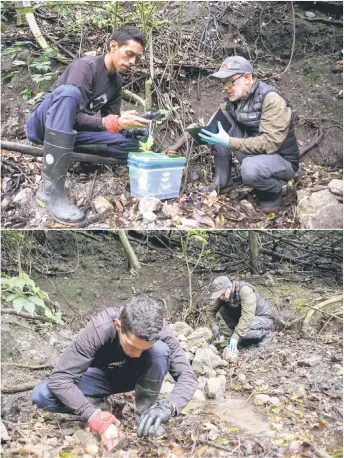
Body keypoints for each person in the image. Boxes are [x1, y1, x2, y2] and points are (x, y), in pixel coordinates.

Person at [31, 296, 198, 452]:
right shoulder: (100, 328)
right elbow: (60, 379)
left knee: (160, 352)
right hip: (96, 376)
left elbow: (188, 377)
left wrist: (167, 407)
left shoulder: (161, 330)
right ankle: (98, 406)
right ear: (118, 326)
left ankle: (145, 419)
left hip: (132, 376)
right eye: (132, 346)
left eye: (144, 349)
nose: (137, 354)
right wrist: (93, 416)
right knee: (42, 395)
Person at [26, 25, 150, 225]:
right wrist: (110, 122)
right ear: (113, 46)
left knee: (131, 145)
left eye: (137, 57)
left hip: (70, 133)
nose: (133, 62)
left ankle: (64, 151)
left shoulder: (116, 82)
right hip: (42, 124)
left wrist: (127, 129)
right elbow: (73, 115)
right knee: (69, 94)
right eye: (129, 54)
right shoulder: (85, 67)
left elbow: (109, 122)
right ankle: (50, 191)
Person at [198, 55, 299, 213]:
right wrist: (196, 131)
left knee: (250, 169)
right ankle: (222, 182)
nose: (225, 87)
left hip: (281, 160)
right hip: (254, 154)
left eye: (230, 81)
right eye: (222, 83)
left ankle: (275, 192)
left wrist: (229, 141)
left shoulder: (271, 99)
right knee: (219, 125)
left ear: (247, 78)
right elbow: (213, 126)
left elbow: (269, 144)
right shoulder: (234, 101)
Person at [206, 276, 274, 358]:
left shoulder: (245, 290)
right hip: (250, 321)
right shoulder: (223, 295)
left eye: (222, 294)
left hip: (263, 319)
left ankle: (266, 334)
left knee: (243, 332)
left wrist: (235, 337)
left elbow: (247, 317)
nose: (221, 297)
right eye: (219, 295)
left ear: (229, 287)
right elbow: (210, 310)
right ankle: (247, 339)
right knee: (223, 309)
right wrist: (214, 327)